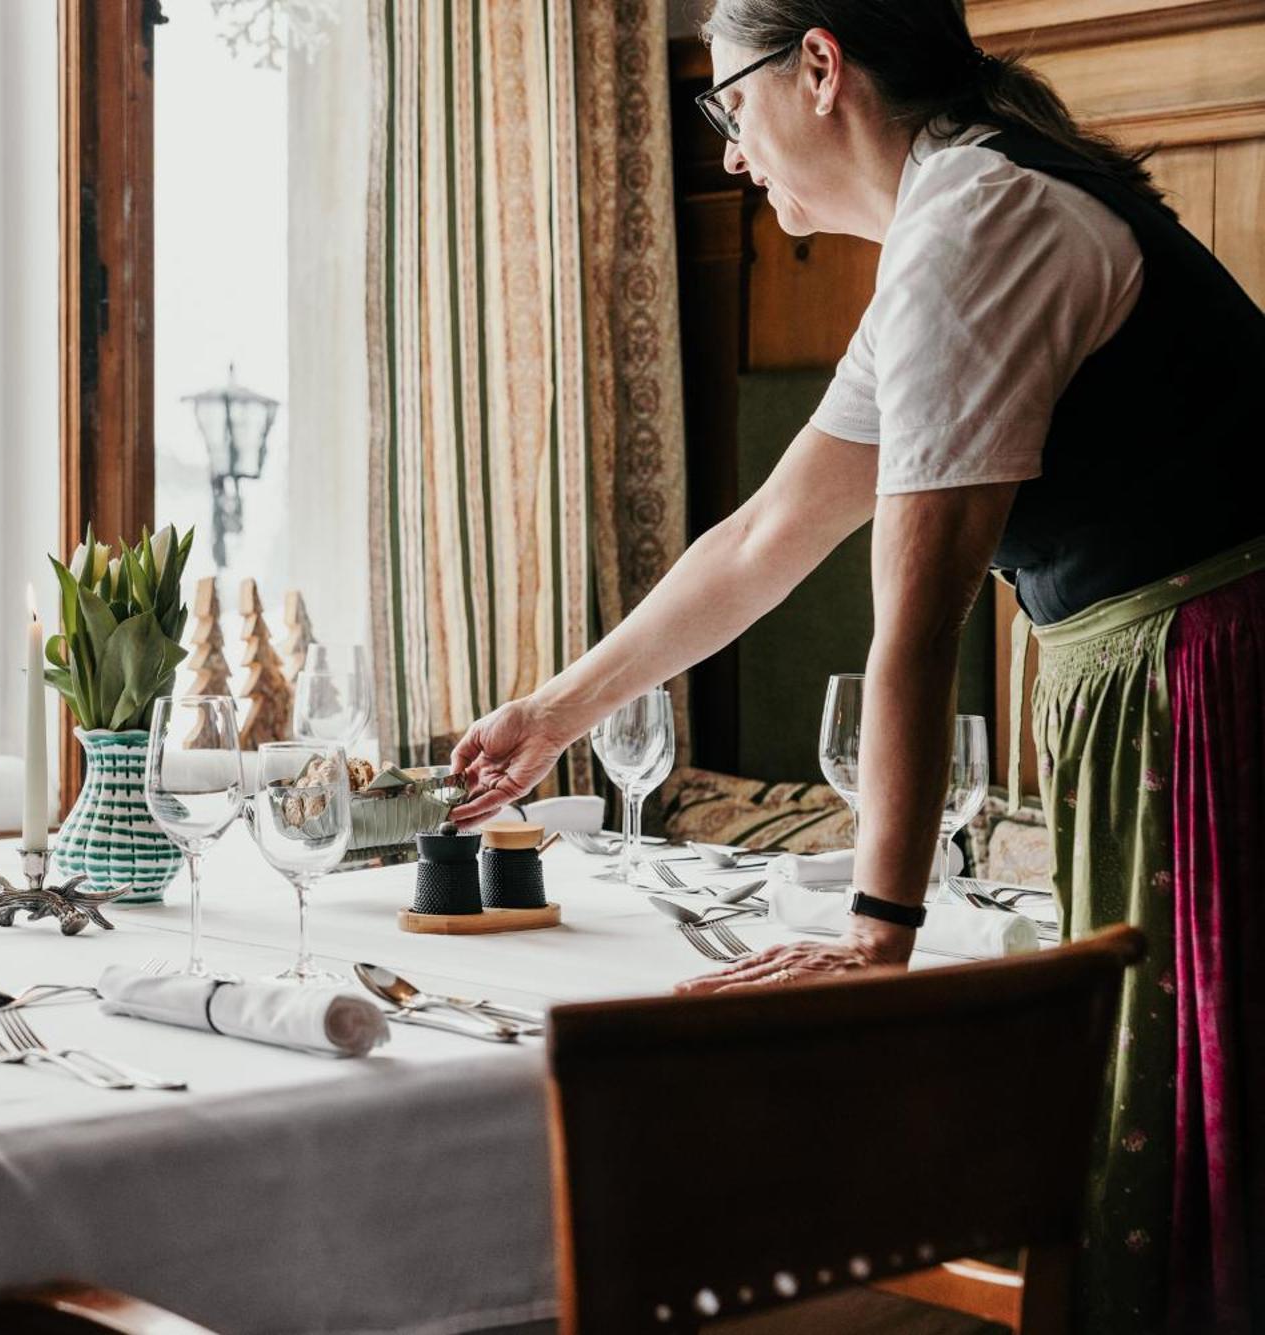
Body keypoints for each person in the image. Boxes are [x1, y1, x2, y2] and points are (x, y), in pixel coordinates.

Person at [448, 2, 1265, 1330]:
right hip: (1165, 677)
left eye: (729, 105)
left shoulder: (976, 230)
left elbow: (917, 624)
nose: (727, 152)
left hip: (1214, 683)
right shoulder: (953, 224)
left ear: (820, 66)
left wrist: (877, 937)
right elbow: (766, 539)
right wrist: (555, 712)